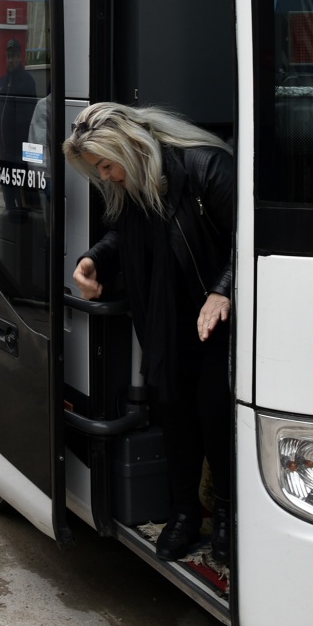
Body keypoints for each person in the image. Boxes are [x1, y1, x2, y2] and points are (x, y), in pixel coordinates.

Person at [62, 102, 235, 562]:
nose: (107, 176)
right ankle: (184, 514)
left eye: (105, 165)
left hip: (219, 320)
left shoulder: (206, 166)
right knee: (174, 416)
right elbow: (127, 235)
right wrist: (94, 258)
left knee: (216, 417)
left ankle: (227, 518)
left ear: (128, 147)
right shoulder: (138, 184)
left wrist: (224, 291)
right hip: (167, 319)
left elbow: (251, 240)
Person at [0, 36, 37, 162]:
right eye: (8, 56)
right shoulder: (1, 83)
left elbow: (31, 116)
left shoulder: (27, 81)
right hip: (3, 151)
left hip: (19, 152)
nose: (10, 60)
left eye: (13, 56)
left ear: (19, 57)